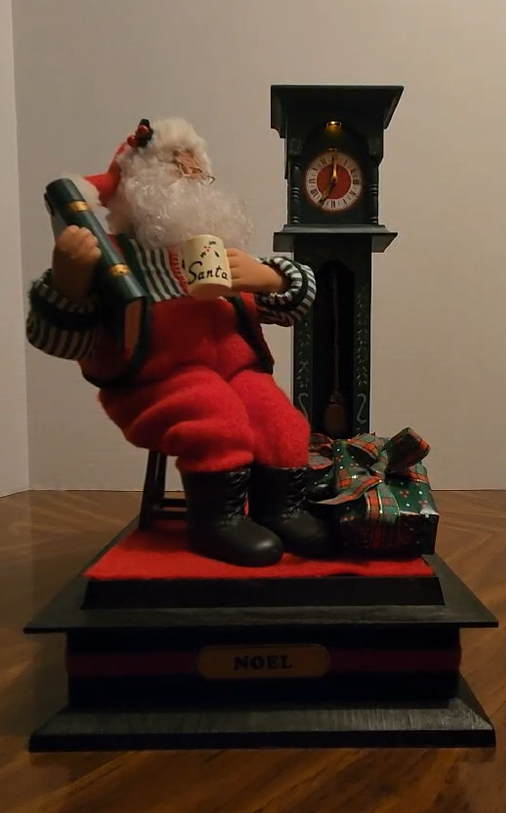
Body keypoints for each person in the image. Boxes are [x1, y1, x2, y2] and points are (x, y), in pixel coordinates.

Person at [26, 116, 331, 566]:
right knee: (214, 414)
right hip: (155, 383)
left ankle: (280, 509)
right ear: (134, 187)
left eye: (196, 171)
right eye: (177, 169)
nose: (191, 178)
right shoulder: (112, 259)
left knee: (279, 419)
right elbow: (60, 340)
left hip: (238, 373)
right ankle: (217, 520)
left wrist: (269, 278)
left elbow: (293, 303)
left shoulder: (217, 252)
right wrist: (69, 284)